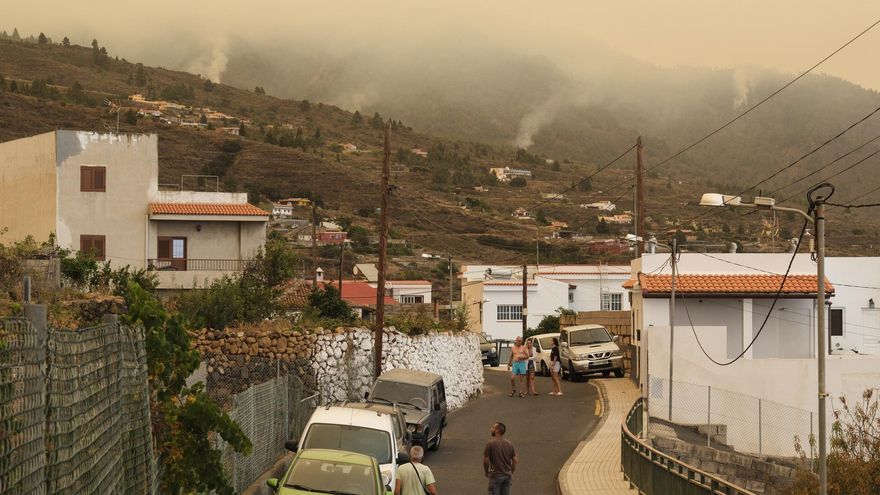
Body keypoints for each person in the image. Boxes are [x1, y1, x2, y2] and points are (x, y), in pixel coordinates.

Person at [483, 421, 517, 495]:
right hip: (507, 476)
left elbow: (486, 461)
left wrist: (486, 472)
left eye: (493, 427)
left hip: (496, 476)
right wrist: (511, 472)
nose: (491, 429)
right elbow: (515, 460)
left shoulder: (490, 443)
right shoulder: (509, 444)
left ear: (497, 430)